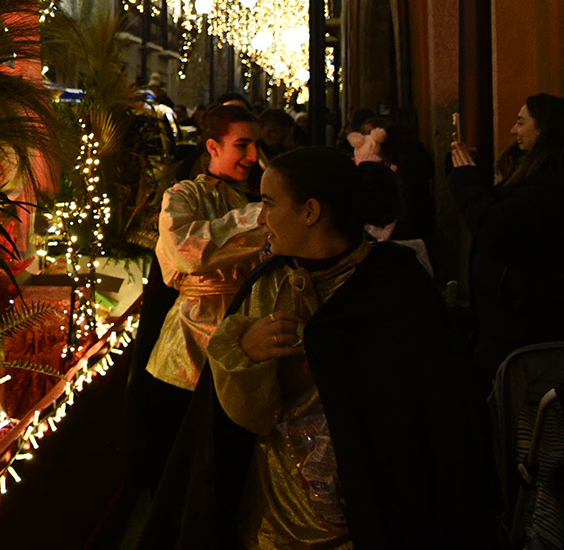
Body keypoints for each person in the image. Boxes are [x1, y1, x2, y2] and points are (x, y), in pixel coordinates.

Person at [145, 148, 491, 549]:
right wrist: (245, 352)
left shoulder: (395, 288)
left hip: (372, 519)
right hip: (275, 521)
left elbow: (434, 418)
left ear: (310, 211)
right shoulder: (268, 285)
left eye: (270, 204)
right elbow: (241, 421)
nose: (262, 217)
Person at [149, 103, 266, 394]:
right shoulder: (183, 196)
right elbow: (186, 251)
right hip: (190, 347)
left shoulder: (255, 197)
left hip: (246, 338)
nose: (253, 156)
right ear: (213, 147)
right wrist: (261, 217)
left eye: (256, 145)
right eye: (242, 145)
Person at [449, 93, 564, 380]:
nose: (513, 131)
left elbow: (493, 224)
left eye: (521, 122)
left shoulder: (548, 183)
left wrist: (465, 178)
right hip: (504, 323)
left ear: (544, 130)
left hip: (522, 328)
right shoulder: (530, 173)